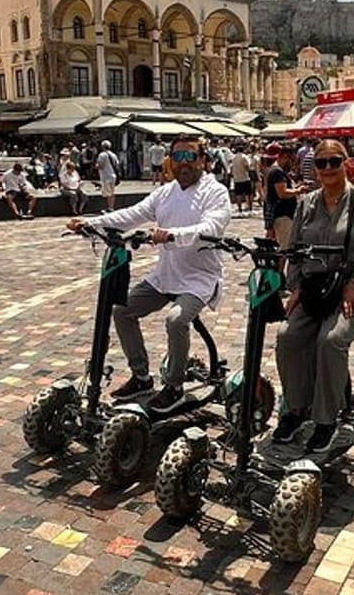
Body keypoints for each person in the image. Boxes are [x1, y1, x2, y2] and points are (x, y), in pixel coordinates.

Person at [67, 135, 231, 413]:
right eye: (177, 157)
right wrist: (91, 222)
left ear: (203, 160)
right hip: (166, 275)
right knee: (121, 310)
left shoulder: (215, 192)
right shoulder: (165, 192)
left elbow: (211, 227)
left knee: (176, 320)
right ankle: (142, 377)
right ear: (170, 161)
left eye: (190, 156)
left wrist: (171, 235)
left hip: (198, 279)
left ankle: (174, 386)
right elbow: (132, 214)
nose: (183, 163)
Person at [273, 139, 354, 451]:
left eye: (333, 162)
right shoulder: (307, 203)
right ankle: (296, 409)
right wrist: (295, 286)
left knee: (330, 340)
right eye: (321, 162)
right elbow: (295, 251)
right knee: (288, 336)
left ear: (346, 163)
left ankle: (326, 419)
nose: (327, 168)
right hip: (316, 290)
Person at [265, 142, 306, 248]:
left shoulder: (277, 171)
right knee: (285, 247)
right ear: (285, 157)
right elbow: (282, 193)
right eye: (292, 160)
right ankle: (282, 265)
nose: (293, 164)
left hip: (283, 214)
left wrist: (297, 187)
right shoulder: (277, 172)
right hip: (282, 215)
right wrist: (299, 190)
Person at [96, 140, 121, 211]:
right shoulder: (114, 155)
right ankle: (111, 207)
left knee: (107, 193)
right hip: (113, 175)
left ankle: (109, 208)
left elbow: (101, 165)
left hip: (106, 176)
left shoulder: (102, 155)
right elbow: (117, 165)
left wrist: (96, 166)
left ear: (102, 147)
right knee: (112, 192)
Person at [231, 143, 254, 215]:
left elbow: (231, 167)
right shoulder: (244, 157)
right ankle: (250, 210)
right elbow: (247, 167)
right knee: (249, 194)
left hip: (237, 178)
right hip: (245, 178)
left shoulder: (233, 157)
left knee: (238, 195)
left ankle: (240, 210)